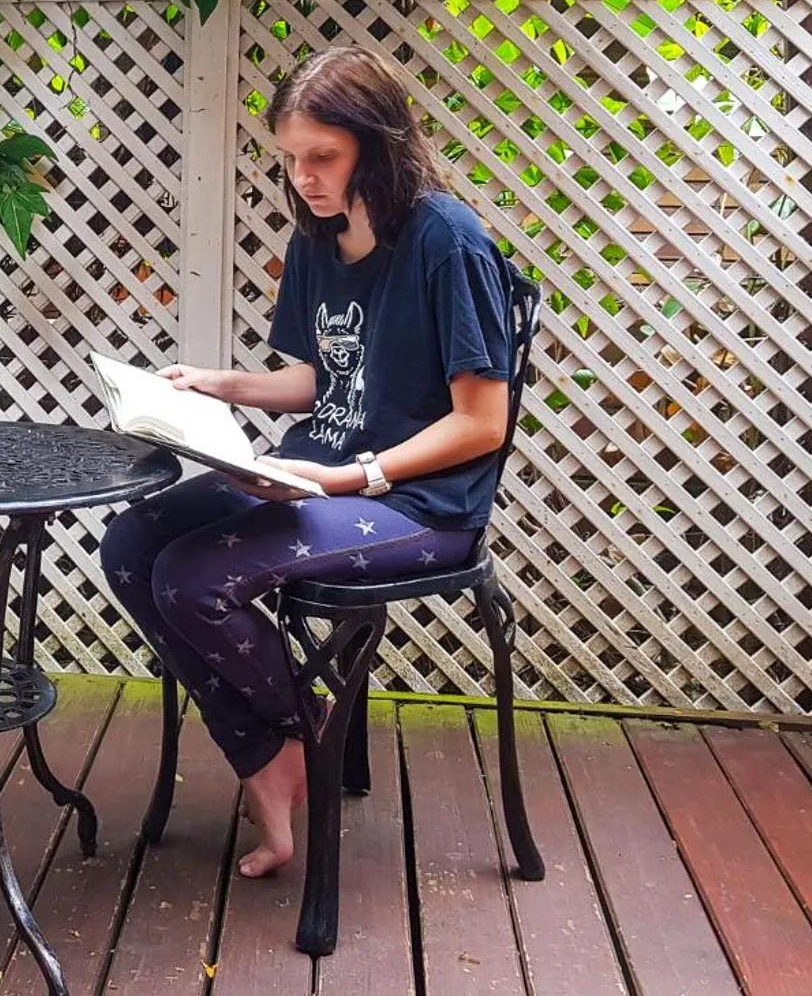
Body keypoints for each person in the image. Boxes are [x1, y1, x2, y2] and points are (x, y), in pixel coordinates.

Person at [100, 46, 519, 878]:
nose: (303, 178)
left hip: (417, 507)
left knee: (193, 578)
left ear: (379, 142)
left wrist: (352, 475)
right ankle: (282, 744)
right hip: (314, 474)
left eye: (321, 157)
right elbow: (316, 378)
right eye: (289, 159)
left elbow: (481, 423)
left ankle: (283, 753)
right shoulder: (317, 239)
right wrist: (217, 385)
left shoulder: (446, 240)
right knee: (131, 544)